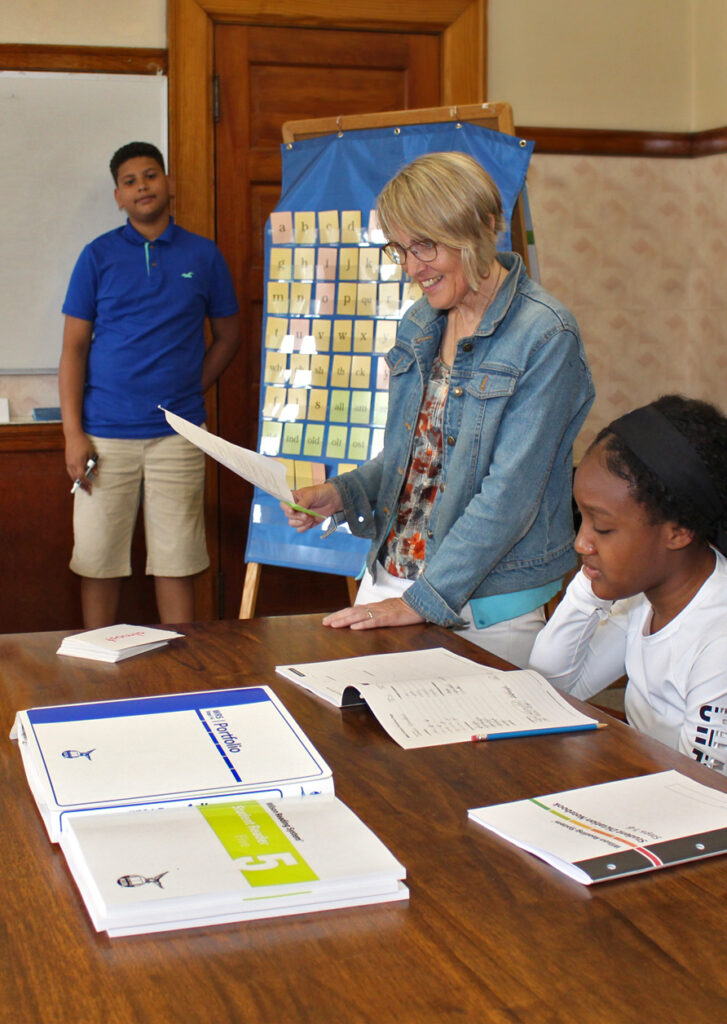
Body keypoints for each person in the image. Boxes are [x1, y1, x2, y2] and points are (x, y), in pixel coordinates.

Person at [282, 151, 594, 667]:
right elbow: (415, 456)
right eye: (401, 250)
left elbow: (510, 494)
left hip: (483, 606)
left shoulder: (545, 334)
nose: (411, 268)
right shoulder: (420, 322)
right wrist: (343, 493)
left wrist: (421, 601)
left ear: (481, 228)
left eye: (425, 245)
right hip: (390, 582)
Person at [59, 141, 240, 628]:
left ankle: (180, 670)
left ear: (168, 182)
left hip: (177, 437)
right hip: (102, 436)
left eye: (150, 175)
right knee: (97, 562)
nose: (142, 186)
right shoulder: (96, 256)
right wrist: (72, 434)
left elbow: (228, 335)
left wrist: (189, 389)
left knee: (177, 561)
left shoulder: (203, 255)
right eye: (130, 181)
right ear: (118, 196)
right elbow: (73, 349)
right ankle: (99, 671)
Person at [529, 394, 727, 774]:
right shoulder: (647, 596)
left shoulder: (717, 640)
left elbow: (701, 787)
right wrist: (590, 589)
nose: (580, 542)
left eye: (602, 528)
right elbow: (553, 683)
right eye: (581, 518)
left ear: (679, 531)